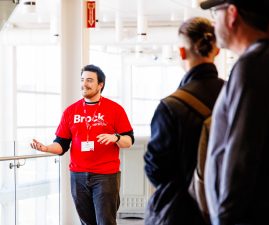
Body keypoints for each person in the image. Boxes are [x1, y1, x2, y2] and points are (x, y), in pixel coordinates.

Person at [199, 0, 269, 224]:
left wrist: (225, 216)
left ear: (233, 14)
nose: (214, 22)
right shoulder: (266, 60)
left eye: (217, 12)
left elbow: (242, 151)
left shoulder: (253, 68)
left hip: (252, 213)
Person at [144, 17, 224, 225]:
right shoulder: (235, 96)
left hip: (181, 212)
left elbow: (156, 169)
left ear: (181, 52)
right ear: (217, 51)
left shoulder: (170, 106)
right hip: (226, 208)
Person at [30, 64, 134, 225]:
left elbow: (128, 141)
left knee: (105, 221)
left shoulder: (115, 110)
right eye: (82, 80)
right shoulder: (71, 111)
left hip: (105, 176)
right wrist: (46, 148)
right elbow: (61, 144)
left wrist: (116, 137)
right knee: (86, 222)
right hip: (78, 176)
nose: (84, 84)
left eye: (90, 80)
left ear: (100, 85)